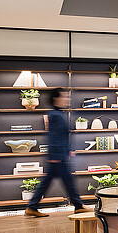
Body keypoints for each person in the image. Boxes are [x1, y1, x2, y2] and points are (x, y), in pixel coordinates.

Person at [26, 89, 91, 217]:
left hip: (59, 155)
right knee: (67, 181)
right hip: (57, 157)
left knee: (53, 182)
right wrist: (55, 156)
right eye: (64, 97)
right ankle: (78, 206)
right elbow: (54, 137)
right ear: (56, 99)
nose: (67, 99)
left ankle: (32, 206)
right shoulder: (55, 115)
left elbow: (61, 136)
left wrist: (68, 151)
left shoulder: (57, 114)